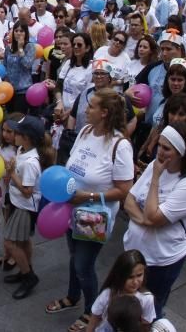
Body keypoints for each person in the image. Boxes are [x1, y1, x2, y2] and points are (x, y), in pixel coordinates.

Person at [45, 89, 134, 332]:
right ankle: (72, 297)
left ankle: (90, 311)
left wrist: (89, 196)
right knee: (74, 257)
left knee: (84, 265)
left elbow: (125, 189)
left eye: (91, 106)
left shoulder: (120, 145)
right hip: (70, 211)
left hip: (94, 217)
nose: (86, 109)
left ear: (104, 113)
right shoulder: (85, 131)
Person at [123, 121, 186, 318]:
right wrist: (145, 221)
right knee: (130, 302)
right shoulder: (154, 165)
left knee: (150, 309)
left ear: (181, 153)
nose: (160, 151)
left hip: (161, 262)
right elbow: (129, 201)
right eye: (159, 144)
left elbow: (153, 216)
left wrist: (156, 177)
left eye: (166, 148)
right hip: (134, 252)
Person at [3, 115, 47, 300]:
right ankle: (25, 270)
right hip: (16, 202)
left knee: (10, 242)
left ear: (27, 137)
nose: (14, 135)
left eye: (17, 133)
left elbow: (28, 191)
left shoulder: (31, 162)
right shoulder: (22, 150)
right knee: (22, 241)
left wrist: (12, 174)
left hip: (24, 206)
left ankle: (29, 277)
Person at [87, 250, 156, 332]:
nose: (135, 282)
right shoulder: (107, 294)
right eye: (130, 277)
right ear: (120, 275)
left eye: (139, 275)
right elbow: (95, 318)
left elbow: (146, 324)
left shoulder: (147, 299)